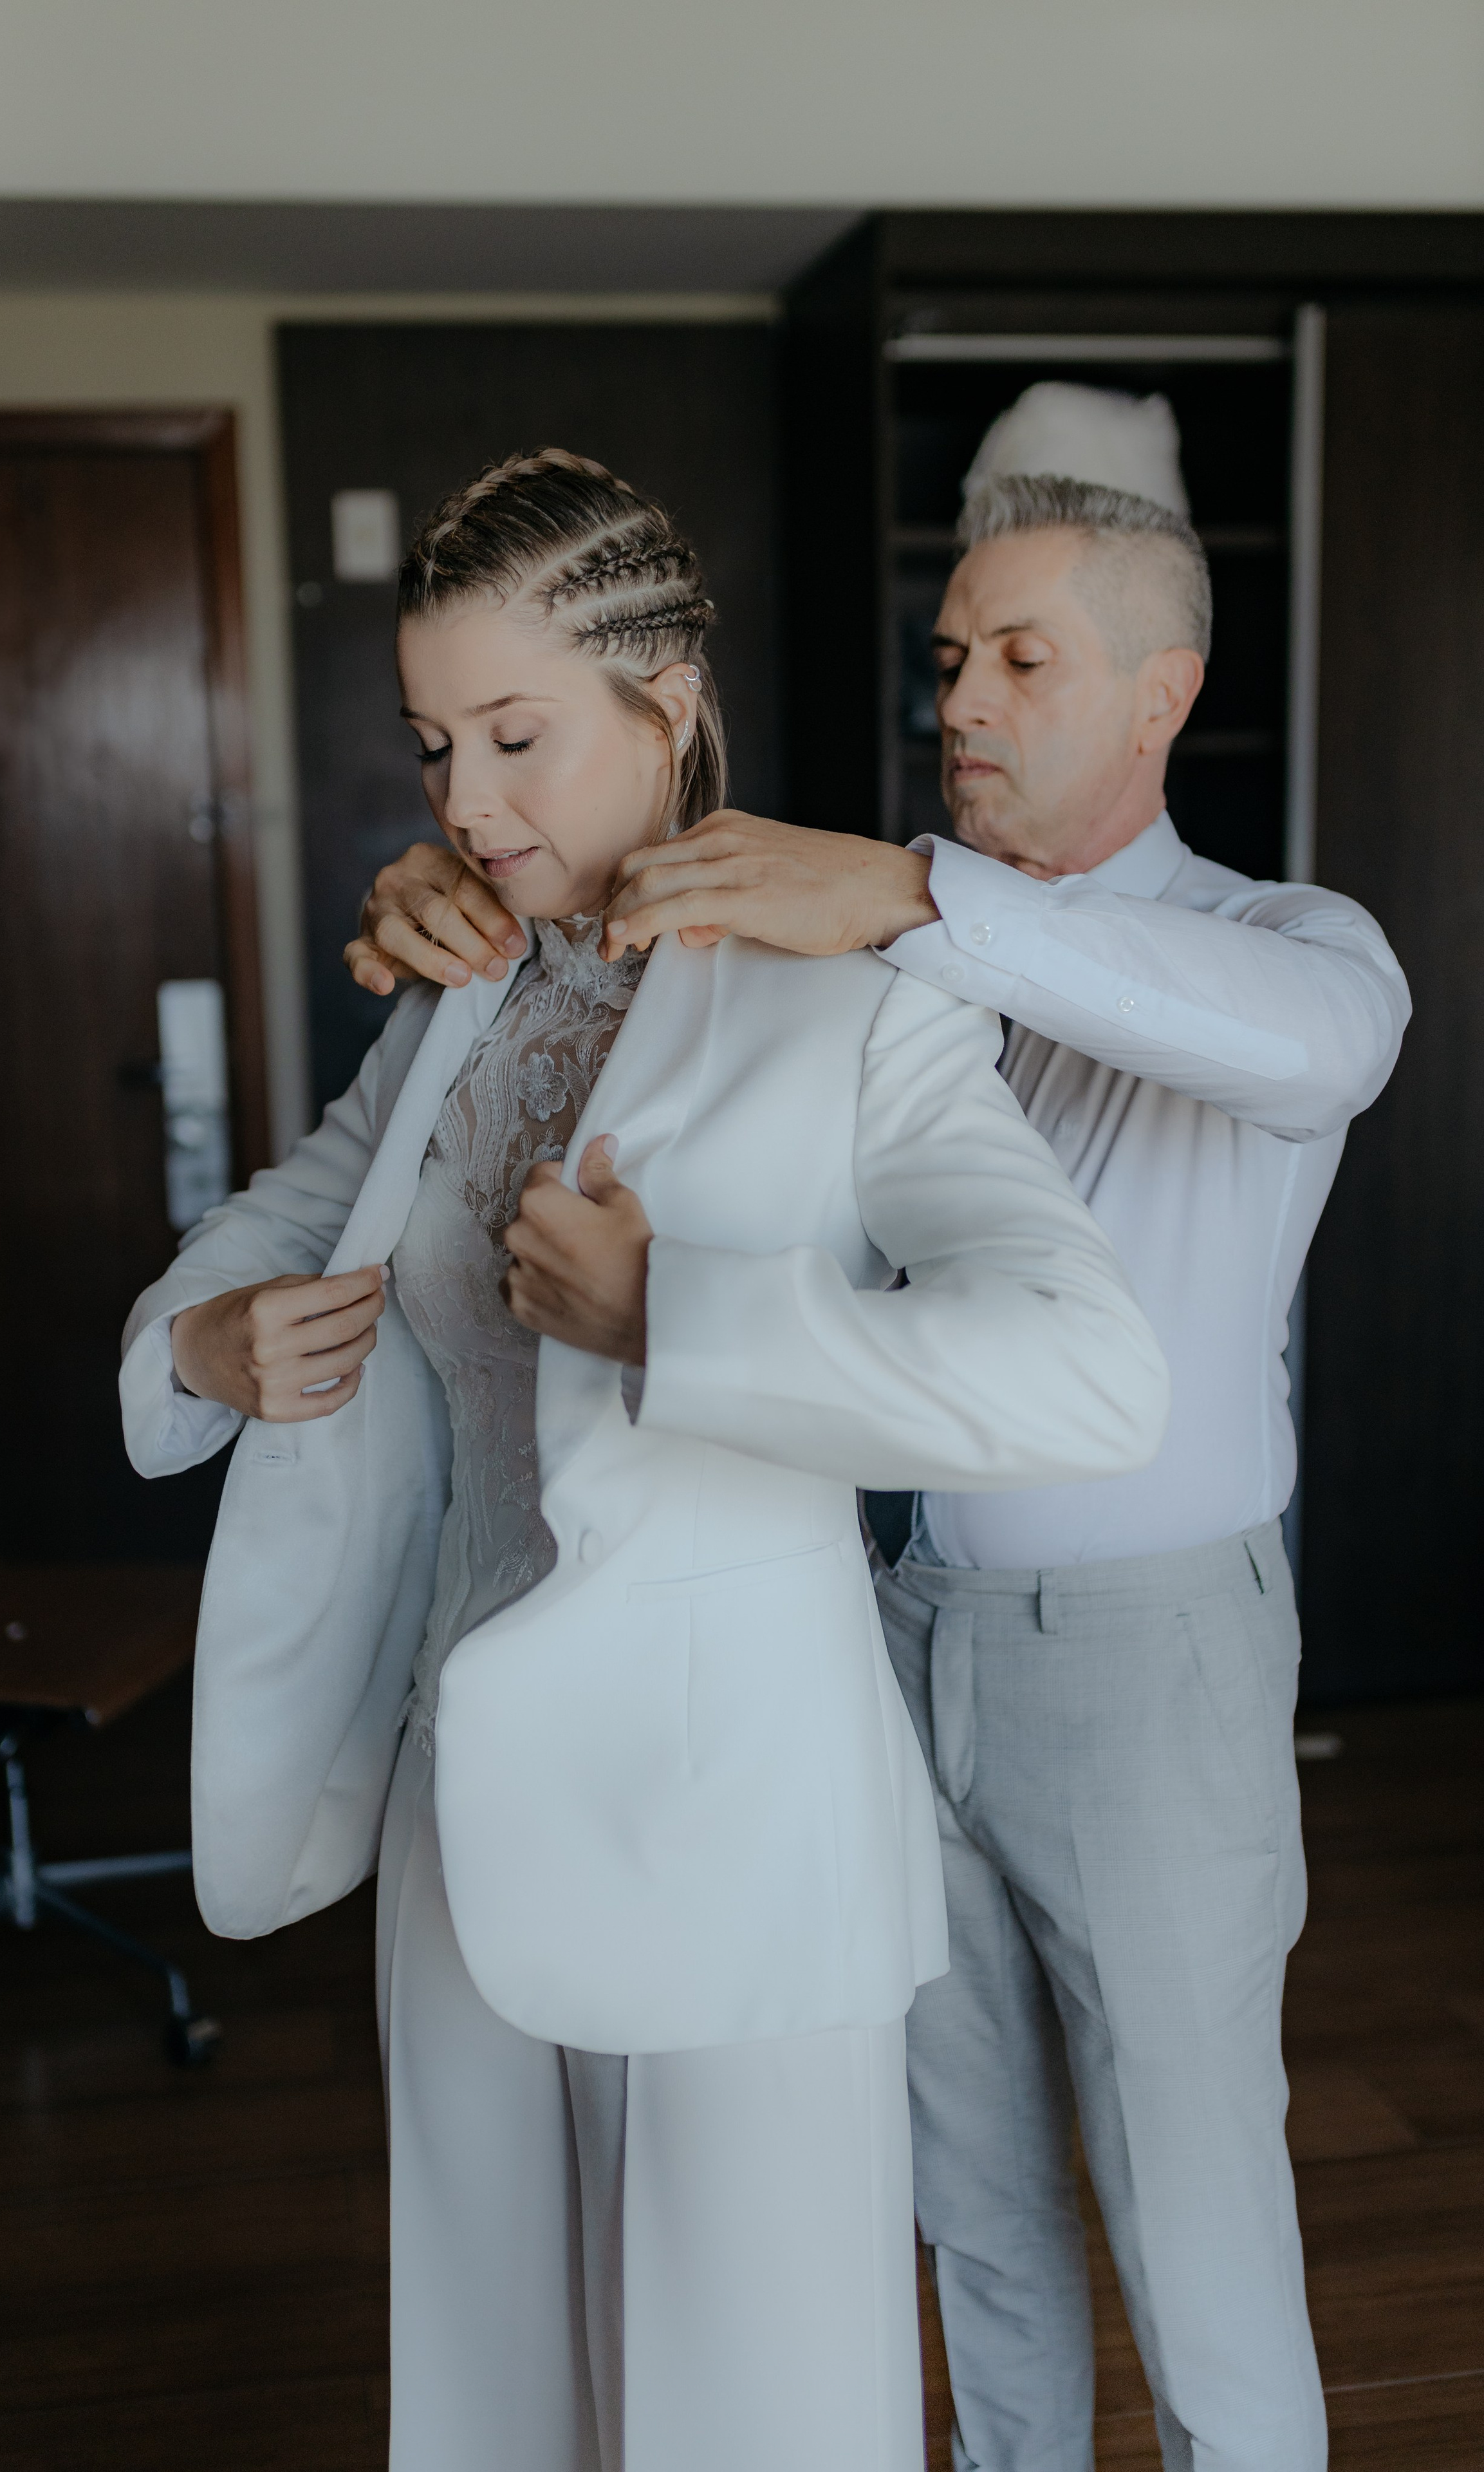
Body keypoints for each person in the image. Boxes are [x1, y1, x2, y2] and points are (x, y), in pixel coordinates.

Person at [348, 469, 1411, 2472]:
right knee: (971, 2206)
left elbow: (1317, 1053)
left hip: (1140, 1653)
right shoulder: (846, 919)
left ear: (1163, 694)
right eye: (950, 660)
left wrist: (918, 900)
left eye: (1026, 659)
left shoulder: (1278, 943)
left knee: (1195, 2210)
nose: (967, 702)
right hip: (872, 1628)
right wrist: (469, 904)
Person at [121, 451, 1170, 2472]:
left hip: (734, 1813)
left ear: (669, 699)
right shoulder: (449, 1002)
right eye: (435, 745)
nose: (465, 802)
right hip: (461, 1798)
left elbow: (1087, 1374)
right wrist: (204, 1339)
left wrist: (676, 1321)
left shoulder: (857, 1012)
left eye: (517, 738)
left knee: (751, 2403)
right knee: (499, 2389)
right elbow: (287, 1217)